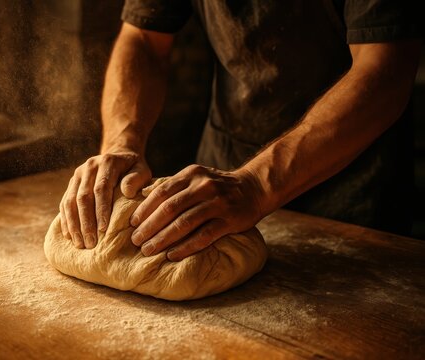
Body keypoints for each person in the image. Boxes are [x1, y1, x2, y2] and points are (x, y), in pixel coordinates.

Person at [59, 1, 423, 261]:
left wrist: (257, 185)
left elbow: (383, 70)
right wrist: (121, 144)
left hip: (353, 189)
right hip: (224, 180)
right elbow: (142, 37)